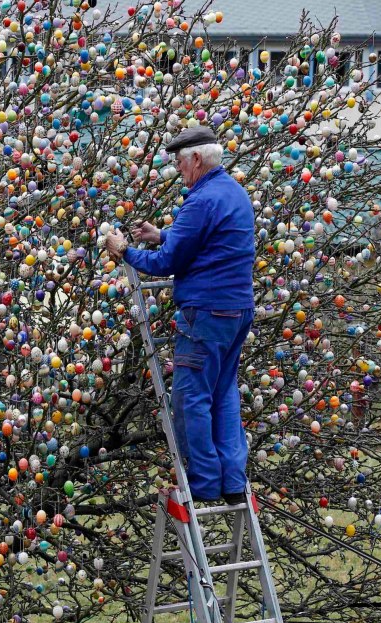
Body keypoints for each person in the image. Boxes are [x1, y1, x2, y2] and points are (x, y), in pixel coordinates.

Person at [105, 126, 256, 505]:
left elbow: (170, 263)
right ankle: (233, 481)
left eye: (179, 162)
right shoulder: (233, 192)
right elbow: (203, 242)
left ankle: (204, 482)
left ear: (197, 159)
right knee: (222, 393)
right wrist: (161, 234)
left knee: (191, 398)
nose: (178, 169)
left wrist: (126, 252)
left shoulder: (201, 200)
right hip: (237, 310)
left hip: (206, 312)